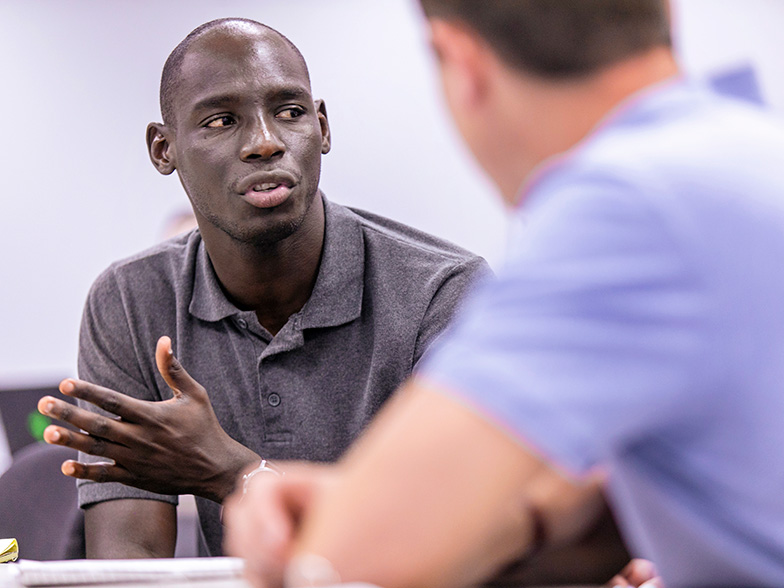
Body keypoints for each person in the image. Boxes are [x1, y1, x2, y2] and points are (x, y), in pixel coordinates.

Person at [223, 1, 784, 587]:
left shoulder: (630, 204)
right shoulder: (744, 155)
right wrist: (430, 509)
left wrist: (369, 516)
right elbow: (600, 498)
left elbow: (346, 562)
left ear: (461, 62)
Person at [36, 17, 488, 559]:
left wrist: (233, 473)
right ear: (163, 149)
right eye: (222, 121)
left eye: (290, 113)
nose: (266, 143)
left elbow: (453, 545)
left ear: (322, 128)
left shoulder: (442, 294)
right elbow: (127, 564)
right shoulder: (131, 301)